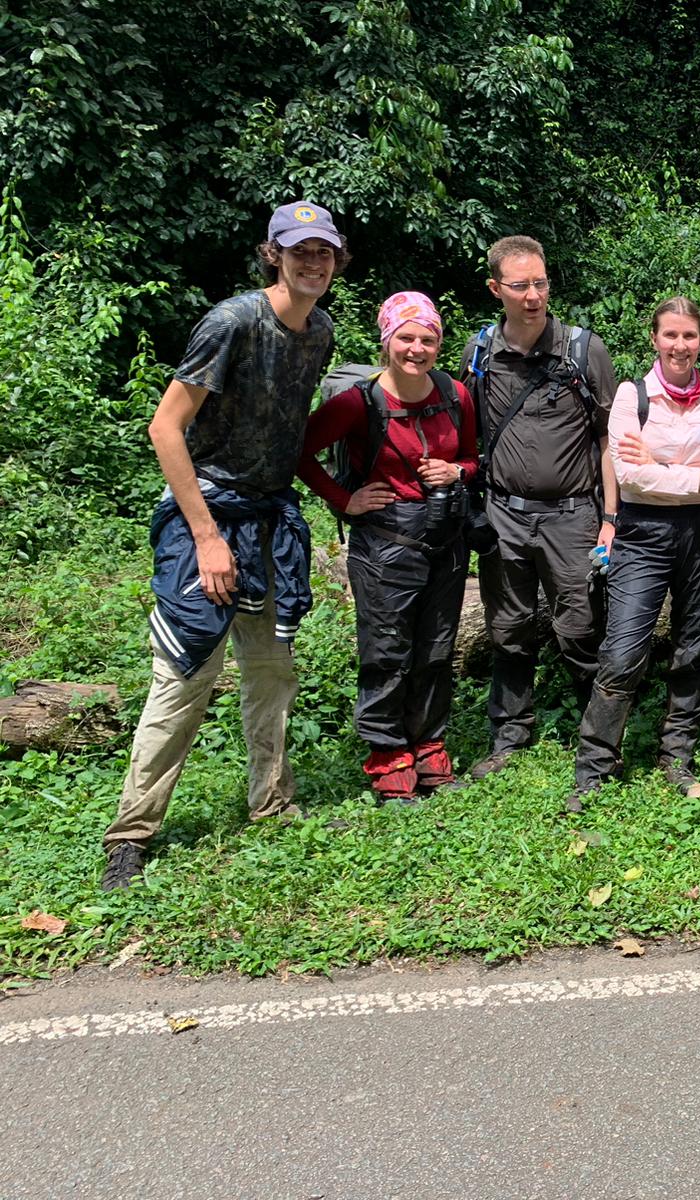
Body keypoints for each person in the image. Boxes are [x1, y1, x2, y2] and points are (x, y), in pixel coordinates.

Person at [100, 200, 346, 891]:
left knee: (270, 673)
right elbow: (165, 427)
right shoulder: (232, 321)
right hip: (207, 517)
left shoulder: (320, 331)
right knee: (185, 676)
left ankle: (272, 803)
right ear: (273, 253)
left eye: (323, 251)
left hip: (268, 520)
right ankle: (131, 833)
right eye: (299, 250)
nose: (312, 262)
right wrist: (207, 536)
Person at [298, 293, 478, 804]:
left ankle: (429, 747)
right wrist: (345, 499)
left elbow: (471, 458)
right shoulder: (359, 402)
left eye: (428, 339)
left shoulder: (454, 394)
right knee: (386, 652)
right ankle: (388, 756)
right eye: (406, 338)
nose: (417, 349)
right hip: (384, 543)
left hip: (445, 538)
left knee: (436, 649)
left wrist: (456, 472)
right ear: (387, 341)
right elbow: (300, 453)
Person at [567, 297, 700, 811]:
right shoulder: (630, 396)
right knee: (622, 650)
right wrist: (697, 475)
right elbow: (630, 475)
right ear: (655, 338)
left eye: (689, 336)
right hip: (640, 535)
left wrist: (665, 468)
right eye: (670, 335)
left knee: (693, 647)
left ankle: (677, 756)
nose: (680, 345)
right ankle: (594, 766)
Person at [460, 236, 620, 781]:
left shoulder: (582, 350)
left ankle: (597, 733)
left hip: (574, 515)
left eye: (541, 282)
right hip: (504, 513)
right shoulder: (479, 354)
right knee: (508, 627)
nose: (533, 295)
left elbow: (608, 439)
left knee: (578, 625)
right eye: (520, 285)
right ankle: (509, 735)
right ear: (495, 289)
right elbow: (467, 435)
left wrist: (610, 518)